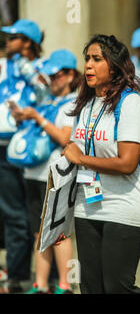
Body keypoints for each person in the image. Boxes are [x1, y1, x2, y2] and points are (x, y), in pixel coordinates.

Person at [62, 34, 140, 294]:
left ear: (113, 66)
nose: (88, 65)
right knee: (91, 287)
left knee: (117, 288)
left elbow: (127, 163)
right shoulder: (86, 104)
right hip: (87, 205)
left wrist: (80, 158)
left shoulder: (130, 103)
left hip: (126, 205)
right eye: (87, 59)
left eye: (96, 59)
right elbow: (74, 150)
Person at [10, 49, 81, 294]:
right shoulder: (46, 100)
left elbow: (64, 137)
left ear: (71, 75)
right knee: (39, 232)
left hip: (55, 175)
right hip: (33, 174)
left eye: (58, 75)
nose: (53, 80)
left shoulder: (73, 103)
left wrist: (37, 117)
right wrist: (22, 117)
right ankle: (40, 285)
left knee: (59, 231)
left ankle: (65, 284)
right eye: (50, 76)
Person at [0, 18, 44, 293]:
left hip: (34, 151)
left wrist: (27, 68)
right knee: (13, 213)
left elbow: (46, 90)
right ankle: (15, 275)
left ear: (27, 42)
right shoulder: (3, 64)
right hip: (3, 149)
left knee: (36, 215)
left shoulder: (42, 67)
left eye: (13, 36)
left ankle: (46, 275)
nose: (7, 41)